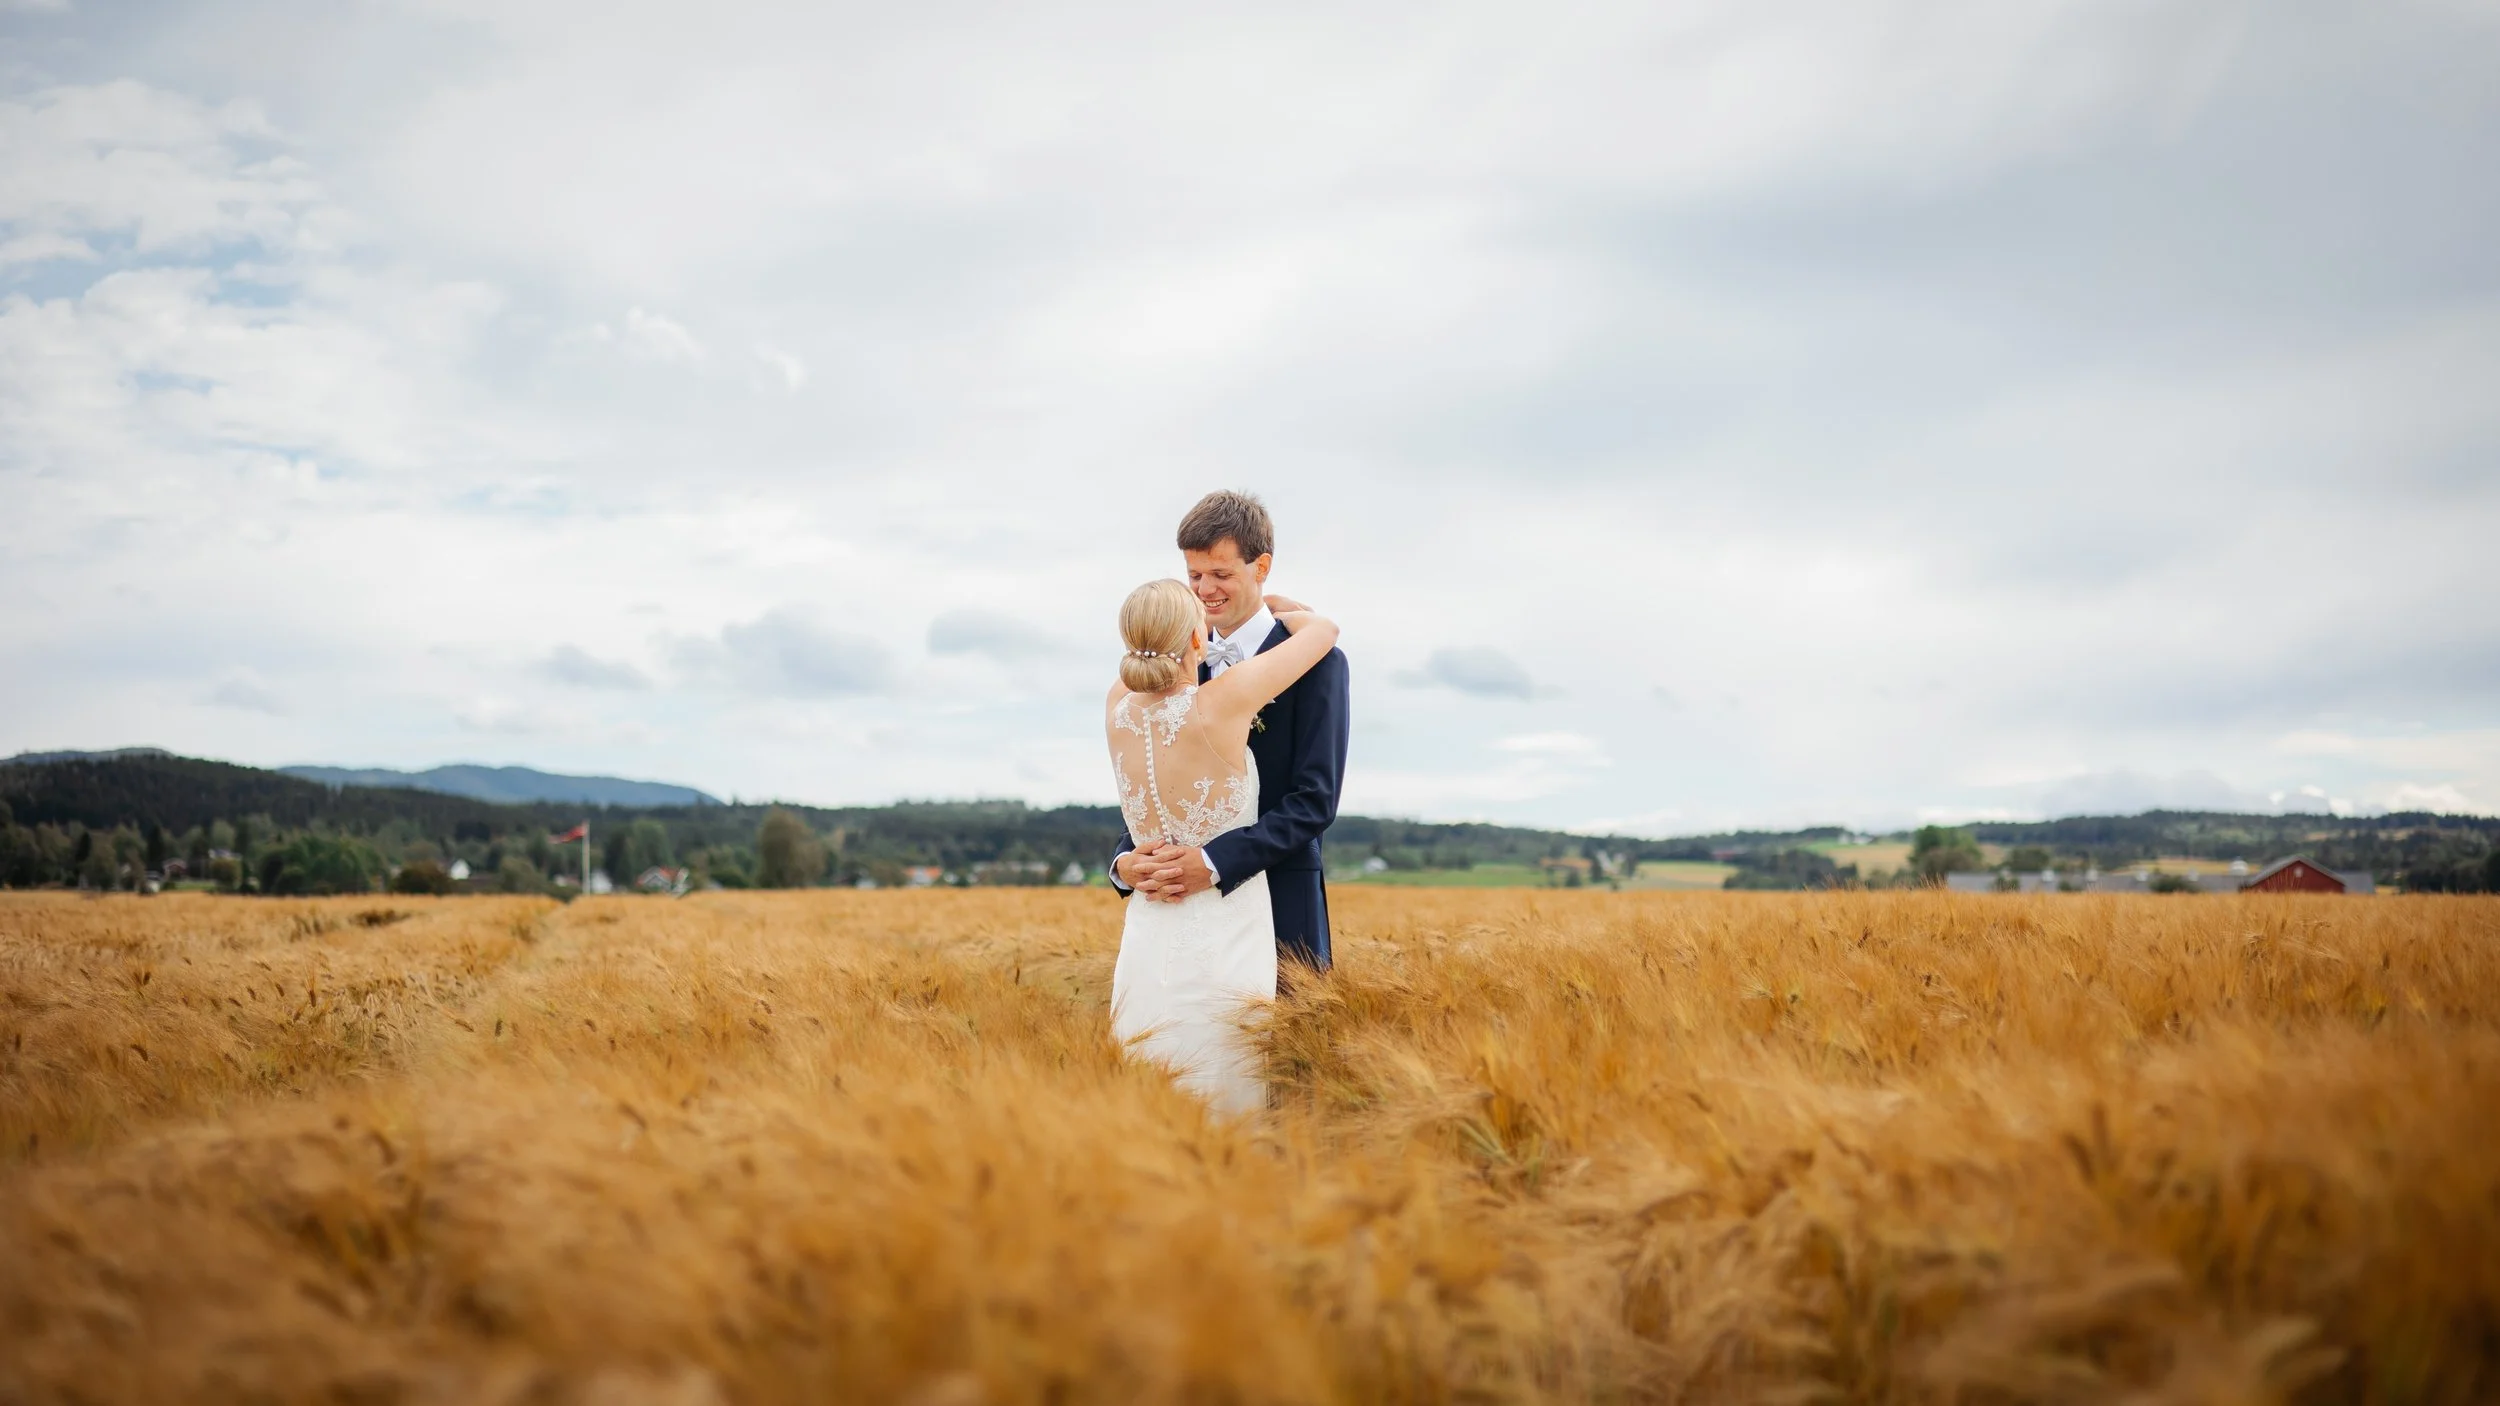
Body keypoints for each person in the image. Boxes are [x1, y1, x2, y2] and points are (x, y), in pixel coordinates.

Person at [1104, 576, 1339, 1113]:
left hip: (1148, 929)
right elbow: (1322, 631)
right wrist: (1284, 606)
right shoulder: (1222, 702)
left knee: (1148, 1084)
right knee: (1225, 1087)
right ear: (1194, 640)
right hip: (1224, 928)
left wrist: (1125, 862)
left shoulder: (1117, 707)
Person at [1111, 491, 1352, 974]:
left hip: (1281, 900)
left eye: (1221, 574)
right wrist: (1125, 862)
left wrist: (1215, 862)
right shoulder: (1171, 661)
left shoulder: (1317, 663)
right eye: (1195, 575)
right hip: (1178, 911)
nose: (1204, 591)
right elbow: (1158, 783)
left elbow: (1314, 801)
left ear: (1261, 567)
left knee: (1284, 1047)